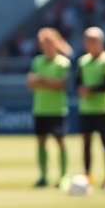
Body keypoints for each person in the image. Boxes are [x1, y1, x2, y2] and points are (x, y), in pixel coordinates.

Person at [26, 27, 71, 189]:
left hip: (57, 109)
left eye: (47, 42)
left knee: (60, 142)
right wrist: (43, 82)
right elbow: (30, 83)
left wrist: (42, 80)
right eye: (42, 43)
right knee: (41, 143)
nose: (44, 46)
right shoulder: (37, 61)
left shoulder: (62, 63)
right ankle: (43, 176)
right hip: (40, 108)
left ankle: (64, 175)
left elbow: (60, 85)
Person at [75, 27, 105, 190]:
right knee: (86, 144)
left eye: (93, 40)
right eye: (87, 40)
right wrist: (81, 90)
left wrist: (90, 90)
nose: (90, 43)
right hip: (86, 108)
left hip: (103, 108)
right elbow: (77, 83)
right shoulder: (82, 61)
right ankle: (87, 176)